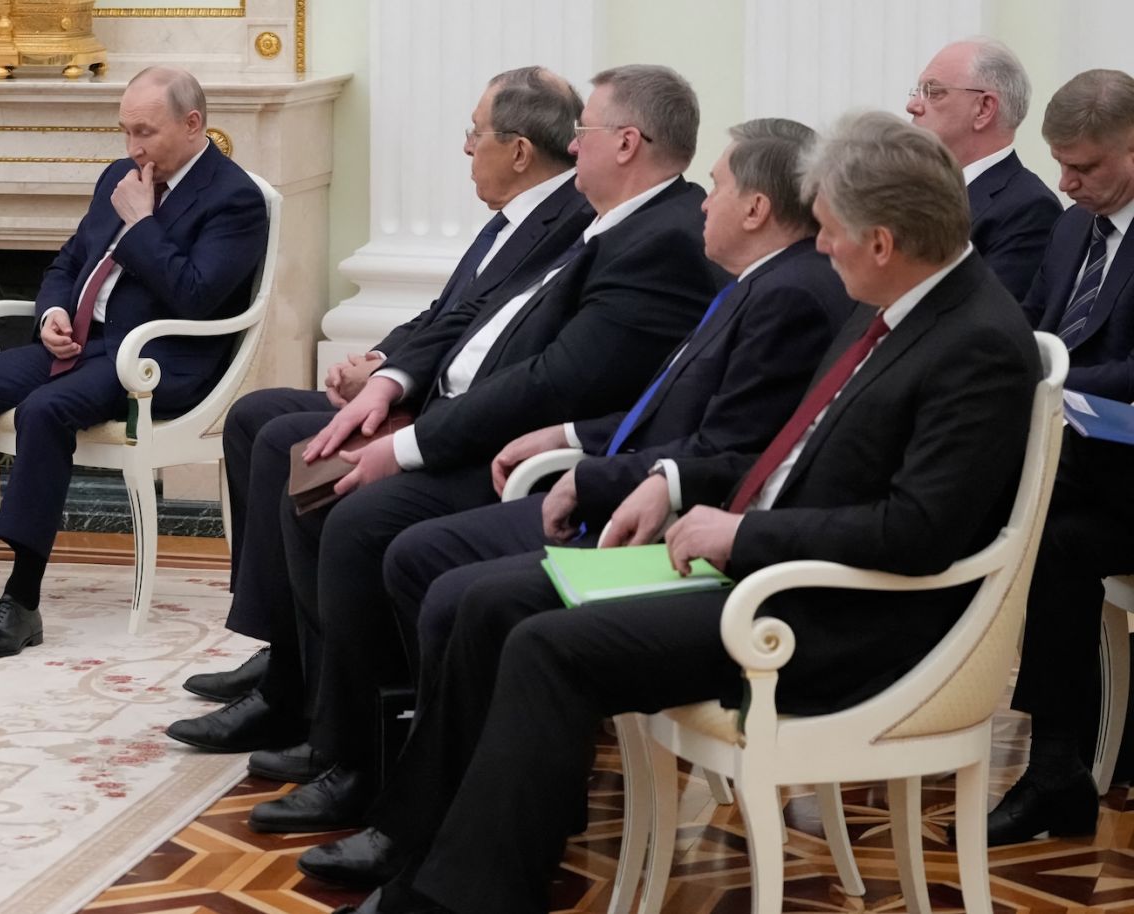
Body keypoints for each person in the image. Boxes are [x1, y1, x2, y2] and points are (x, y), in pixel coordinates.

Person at [336, 110, 1039, 914]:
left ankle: (467, 898)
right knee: (493, 600)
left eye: (834, 230)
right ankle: (420, 849)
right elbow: (790, 455)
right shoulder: (894, 301)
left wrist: (739, 533)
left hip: (829, 618)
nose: (820, 244)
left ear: (882, 241)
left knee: (546, 646)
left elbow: (916, 534)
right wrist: (674, 489)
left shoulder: (975, 342)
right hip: (762, 573)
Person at [286, 118, 855, 869]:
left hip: (659, 526)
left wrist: (598, 474)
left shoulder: (787, 295)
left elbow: (726, 452)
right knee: (425, 559)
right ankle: (446, 788)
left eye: (716, 187)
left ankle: (443, 815)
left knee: (447, 577)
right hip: (625, 489)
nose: (702, 203)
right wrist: (569, 440)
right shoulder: (765, 284)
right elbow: (674, 413)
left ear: (753, 209)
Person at [172, 64, 724, 823]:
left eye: (586, 132)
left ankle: (356, 749)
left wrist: (411, 434)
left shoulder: (642, 233)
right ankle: (316, 701)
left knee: (354, 510)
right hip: (470, 419)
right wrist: (390, 379)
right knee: (287, 444)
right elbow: (463, 321)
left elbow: (558, 376)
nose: (573, 145)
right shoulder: (610, 222)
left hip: (531, 459)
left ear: (625, 143)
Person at [183, 67, 594, 733]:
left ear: (518, 151)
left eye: (474, 133)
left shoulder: (563, 221)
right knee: (256, 417)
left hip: (465, 424)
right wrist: (380, 364)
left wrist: (395, 385)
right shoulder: (511, 220)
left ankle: (298, 685)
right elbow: (445, 315)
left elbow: (481, 337)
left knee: (285, 440)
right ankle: (285, 646)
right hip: (422, 392)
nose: (465, 148)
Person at [0, 66, 268, 659]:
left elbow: (195, 295)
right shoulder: (120, 175)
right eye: (125, 132)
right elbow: (68, 261)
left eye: (146, 133)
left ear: (192, 124)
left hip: (152, 361)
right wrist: (52, 312)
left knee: (44, 411)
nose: (133, 149)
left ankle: (22, 600)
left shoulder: (234, 198)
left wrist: (142, 222)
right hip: (80, 343)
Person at [987, 68, 1134, 845]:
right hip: (1087, 472)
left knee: (1010, 504)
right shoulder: (1074, 226)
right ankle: (1055, 769)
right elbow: (1035, 328)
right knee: (1048, 538)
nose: (1066, 183)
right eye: (1060, 163)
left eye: (1087, 165)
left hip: (1125, 471)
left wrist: (1054, 379)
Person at [906, 37, 1061, 300]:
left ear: (984, 109)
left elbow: (983, 324)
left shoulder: (1028, 209)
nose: (913, 105)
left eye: (934, 92)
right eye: (918, 91)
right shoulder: (910, 192)